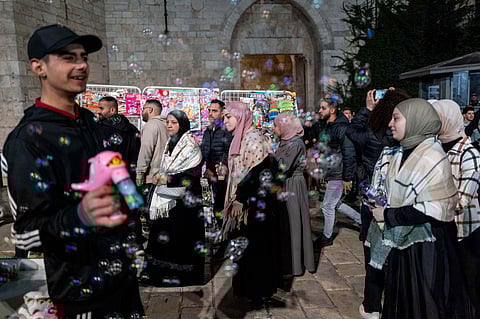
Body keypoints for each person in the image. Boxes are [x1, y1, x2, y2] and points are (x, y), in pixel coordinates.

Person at [2, 24, 144, 317]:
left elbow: (119, 185)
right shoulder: (27, 140)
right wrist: (81, 216)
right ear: (38, 66)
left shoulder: (90, 123)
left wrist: (128, 192)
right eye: (68, 57)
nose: (81, 65)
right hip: (80, 291)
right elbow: (26, 234)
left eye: (83, 57)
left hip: (121, 276)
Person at [367, 98, 475, 319]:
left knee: (423, 304)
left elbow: (434, 208)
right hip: (402, 246)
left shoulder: (431, 156)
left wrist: (387, 214)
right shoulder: (400, 152)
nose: (390, 123)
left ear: (416, 121)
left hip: (426, 248)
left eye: (397, 118)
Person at [349, 88, 410, 319]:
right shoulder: (408, 138)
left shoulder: (373, 135)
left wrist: (367, 109)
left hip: (373, 203)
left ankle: (373, 304)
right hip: (397, 205)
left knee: (372, 252)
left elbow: (352, 132)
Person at [222, 101, 282, 306]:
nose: (224, 121)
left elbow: (257, 173)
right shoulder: (241, 137)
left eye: (228, 116)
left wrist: (240, 198)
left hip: (255, 206)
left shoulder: (253, 139)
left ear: (240, 117)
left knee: (256, 249)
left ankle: (258, 292)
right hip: (248, 204)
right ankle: (247, 289)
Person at [142, 110, 205, 286]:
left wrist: (165, 178)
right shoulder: (171, 143)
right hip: (169, 197)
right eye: (168, 122)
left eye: (174, 123)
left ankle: (182, 276)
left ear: (182, 125)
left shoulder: (190, 146)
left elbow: (191, 176)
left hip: (185, 201)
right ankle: (159, 275)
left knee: (181, 238)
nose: (169, 125)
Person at [431, 99, 480, 316]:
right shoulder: (436, 149)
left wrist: (426, 201)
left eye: (437, 118)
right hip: (442, 232)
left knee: (471, 287)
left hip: (466, 234)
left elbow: (460, 200)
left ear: (449, 119)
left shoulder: (469, 153)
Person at [273, 113, 315, 276]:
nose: (274, 129)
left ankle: (295, 264)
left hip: (293, 185)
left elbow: (282, 167)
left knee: (294, 222)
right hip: (286, 184)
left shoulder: (295, 144)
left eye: (277, 125)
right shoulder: (285, 142)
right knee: (288, 223)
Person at [317, 99, 360, 247]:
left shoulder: (342, 127)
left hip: (338, 172)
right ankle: (362, 220)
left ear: (332, 110)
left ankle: (326, 237)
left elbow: (349, 152)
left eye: (323, 108)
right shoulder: (327, 125)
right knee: (335, 203)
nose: (320, 111)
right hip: (331, 170)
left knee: (327, 205)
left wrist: (347, 177)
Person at [200, 99, 233, 214]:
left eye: (214, 111)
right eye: (209, 110)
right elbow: (204, 151)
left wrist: (215, 170)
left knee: (221, 202)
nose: (210, 113)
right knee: (211, 204)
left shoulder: (226, 129)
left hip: (222, 174)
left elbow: (228, 151)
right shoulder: (208, 130)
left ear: (222, 113)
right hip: (210, 173)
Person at [95, 96, 141, 175]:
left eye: (101, 108)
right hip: (127, 173)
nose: (98, 111)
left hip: (107, 174)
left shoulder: (102, 129)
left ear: (112, 110)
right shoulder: (132, 128)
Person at [135, 99, 169, 186]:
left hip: (153, 178)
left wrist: (139, 174)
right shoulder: (167, 125)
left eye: (143, 109)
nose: (142, 112)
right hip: (166, 175)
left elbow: (145, 151)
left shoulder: (150, 125)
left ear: (150, 110)